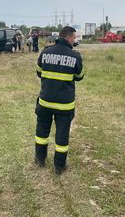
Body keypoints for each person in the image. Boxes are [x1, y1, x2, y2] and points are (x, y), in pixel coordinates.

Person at [34, 26, 84, 175]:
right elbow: (79, 77)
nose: (74, 40)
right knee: (62, 134)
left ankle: (40, 159)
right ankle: (59, 166)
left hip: (45, 102)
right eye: (74, 38)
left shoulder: (46, 52)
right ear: (68, 38)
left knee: (42, 131)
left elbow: (39, 72)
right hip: (64, 105)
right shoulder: (75, 56)